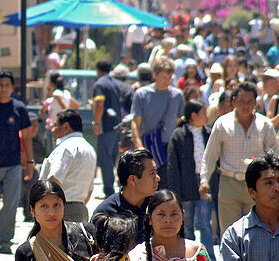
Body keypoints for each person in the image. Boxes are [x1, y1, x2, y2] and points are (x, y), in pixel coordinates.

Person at [200, 81, 279, 233]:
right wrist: (204, 180)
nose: (245, 106)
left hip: (257, 185)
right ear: (234, 101)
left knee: (258, 230)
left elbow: (274, 155)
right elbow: (210, 155)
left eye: (250, 102)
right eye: (241, 101)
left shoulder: (265, 124)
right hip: (229, 183)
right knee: (229, 232)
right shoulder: (222, 124)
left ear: (255, 102)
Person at [0, 71, 34, 253]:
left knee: (10, 203)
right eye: (0, 85)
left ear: (12, 88)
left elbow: (26, 137)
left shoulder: (19, 108)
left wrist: (30, 162)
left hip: (14, 164)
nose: (3, 88)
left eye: (7, 85)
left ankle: (4, 241)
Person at [166, 101, 215, 259]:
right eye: (203, 112)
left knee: (205, 224)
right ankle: (188, 258)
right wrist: (176, 193)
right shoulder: (179, 136)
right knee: (186, 225)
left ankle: (207, 259)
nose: (207, 116)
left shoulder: (209, 134)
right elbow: (172, 166)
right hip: (185, 186)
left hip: (203, 184)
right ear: (193, 116)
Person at [131, 55, 184, 182]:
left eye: (170, 77)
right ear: (155, 74)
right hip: (149, 146)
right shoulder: (142, 94)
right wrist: (139, 146)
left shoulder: (177, 95)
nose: (167, 80)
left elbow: (180, 120)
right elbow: (135, 123)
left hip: (170, 148)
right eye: (164, 77)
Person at [38, 109, 96, 222]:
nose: (52, 130)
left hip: (60, 211)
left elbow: (53, 181)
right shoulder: (90, 149)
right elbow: (90, 189)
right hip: (80, 211)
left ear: (66, 127)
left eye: (55, 125)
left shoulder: (65, 148)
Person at [92, 59, 127, 196]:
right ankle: (113, 188)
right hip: (116, 126)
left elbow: (100, 104)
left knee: (105, 158)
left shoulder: (99, 84)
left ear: (98, 70)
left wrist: (96, 122)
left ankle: (109, 191)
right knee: (112, 158)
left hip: (105, 126)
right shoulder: (115, 83)